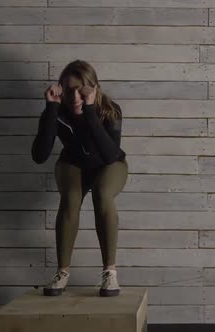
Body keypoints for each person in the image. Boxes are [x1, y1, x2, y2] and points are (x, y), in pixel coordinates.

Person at [31, 60, 128, 297]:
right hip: (73, 163)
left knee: (103, 195)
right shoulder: (57, 109)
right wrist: (52, 108)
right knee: (70, 198)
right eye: (69, 89)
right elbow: (40, 156)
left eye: (82, 89)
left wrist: (90, 110)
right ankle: (62, 272)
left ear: (94, 88)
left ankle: (110, 273)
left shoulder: (110, 109)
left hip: (111, 164)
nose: (75, 96)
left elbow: (109, 154)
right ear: (61, 89)